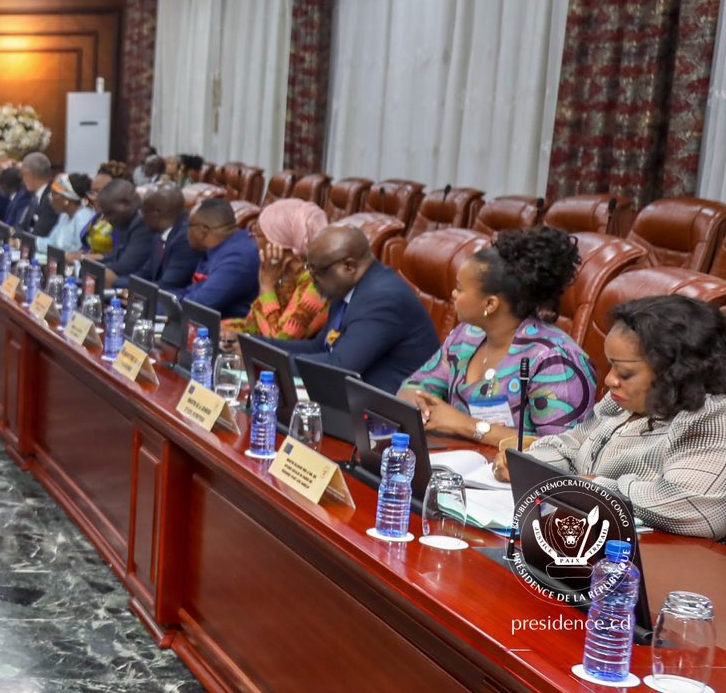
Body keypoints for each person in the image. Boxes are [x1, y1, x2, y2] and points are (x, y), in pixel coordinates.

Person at [497, 295, 726, 539]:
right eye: (611, 366)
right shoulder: (624, 403)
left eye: (625, 373)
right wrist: (528, 466)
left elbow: (692, 507)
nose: (609, 380)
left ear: (676, 371)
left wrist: (591, 487)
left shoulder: (711, 417)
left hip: (660, 556)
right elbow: (571, 447)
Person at [400, 227, 592, 449]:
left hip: (511, 471)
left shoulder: (554, 360)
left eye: (460, 289)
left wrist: (465, 425)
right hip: (456, 462)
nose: (453, 295)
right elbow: (415, 385)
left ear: (490, 304)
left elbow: (562, 450)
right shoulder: (467, 336)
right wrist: (414, 401)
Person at [286, 226, 440, 391]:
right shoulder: (347, 289)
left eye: (318, 271)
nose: (312, 279)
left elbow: (339, 367)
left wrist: (280, 363)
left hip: (393, 402)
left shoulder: (383, 297)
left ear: (349, 266)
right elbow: (320, 346)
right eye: (309, 269)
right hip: (359, 396)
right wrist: (265, 349)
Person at [224, 199, 332, 341]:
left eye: (258, 235)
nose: (255, 243)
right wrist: (220, 328)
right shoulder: (283, 274)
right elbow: (254, 326)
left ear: (278, 242)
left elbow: (277, 342)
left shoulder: (316, 286)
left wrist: (267, 287)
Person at [181, 198, 260, 318]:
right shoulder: (216, 248)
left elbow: (199, 305)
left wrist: (163, 304)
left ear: (203, 231)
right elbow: (192, 291)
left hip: (228, 327)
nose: (185, 231)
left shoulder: (238, 258)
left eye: (189, 226)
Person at [138, 186, 201, 291]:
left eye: (144, 212)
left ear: (156, 215)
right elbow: (144, 273)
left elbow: (167, 286)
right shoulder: (159, 235)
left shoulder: (185, 239)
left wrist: (130, 289)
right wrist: (121, 286)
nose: (142, 217)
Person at [93, 180, 151, 282]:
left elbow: (127, 266)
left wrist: (95, 269)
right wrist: (92, 263)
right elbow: (118, 256)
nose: (106, 219)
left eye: (109, 213)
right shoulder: (125, 221)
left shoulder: (143, 222)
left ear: (126, 203)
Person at [42, 173, 96, 253]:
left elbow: (80, 252)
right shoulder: (64, 216)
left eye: (53, 194)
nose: (50, 199)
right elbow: (51, 242)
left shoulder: (84, 218)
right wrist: (31, 241)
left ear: (66, 198)